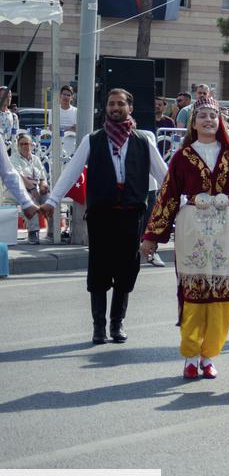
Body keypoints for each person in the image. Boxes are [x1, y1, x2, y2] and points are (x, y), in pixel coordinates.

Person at [141, 98, 229, 379]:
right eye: (201, 115)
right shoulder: (182, 157)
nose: (207, 120)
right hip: (192, 228)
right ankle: (191, 355)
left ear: (220, 122)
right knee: (194, 295)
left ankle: (209, 356)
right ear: (193, 123)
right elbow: (167, 198)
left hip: (225, 229)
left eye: (213, 116)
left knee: (221, 296)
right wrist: (152, 237)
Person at [42, 89, 167, 345]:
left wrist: (186, 201)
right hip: (101, 215)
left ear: (129, 108)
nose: (115, 107)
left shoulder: (144, 141)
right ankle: (98, 327)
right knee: (99, 270)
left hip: (131, 216)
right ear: (106, 108)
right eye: (111, 104)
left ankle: (117, 324)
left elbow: (166, 176)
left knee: (127, 270)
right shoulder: (93, 139)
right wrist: (53, 200)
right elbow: (71, 172)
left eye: (120, 103)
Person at [10, 133, 48, 244]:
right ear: (18, 146)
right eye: (21, 144)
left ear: (32, 145)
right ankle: (33, 232)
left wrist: (43, 186)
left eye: (27, 143)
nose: (25, 146)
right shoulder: (14, 159)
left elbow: (42, 176)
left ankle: (52, 231)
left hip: (34, 188)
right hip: (18, 190)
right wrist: (33, 189)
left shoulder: (35, 159)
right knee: (31, 199)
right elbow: (20, 177)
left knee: (50, 199)